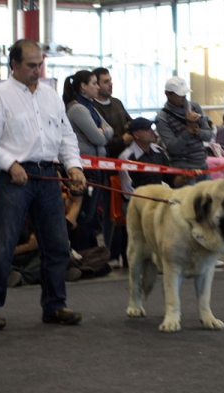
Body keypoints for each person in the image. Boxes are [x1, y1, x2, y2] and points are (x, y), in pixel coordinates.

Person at [0, 39, 86, 329]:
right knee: (3, 244)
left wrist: (73, 166)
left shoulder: (50, 96)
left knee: (58, 245)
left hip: (47, 177)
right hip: (14, 178)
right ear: (14, 65)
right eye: (31, 65)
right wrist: (10, 164)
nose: (37, 70)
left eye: (40, 64)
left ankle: (55, 306)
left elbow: (66, 136)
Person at [63, 70, 114, 252]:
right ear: (83, 87)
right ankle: (82, 252)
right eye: (94, 83)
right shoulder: (77, 109)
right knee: (85, 214)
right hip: (86, 169)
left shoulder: (90, 107)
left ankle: (88, 252)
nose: (98, 87)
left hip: (97, 167)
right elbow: (98, 138)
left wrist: (103, 132)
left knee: (92, 215)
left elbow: (109, 130)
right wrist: (102, 132)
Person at [92, 67, 133, 268]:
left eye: (110, 80)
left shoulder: (117, 103)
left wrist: (132, 133)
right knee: (110, 211)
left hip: (126, 164)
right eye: (106, 81)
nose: (110, 84)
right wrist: (122, 140)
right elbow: (100, 140)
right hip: (106, 165)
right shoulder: (92, 108)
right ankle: (110, 252)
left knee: (125, 210)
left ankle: (125, 253)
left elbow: (129, 124)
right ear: (96, 85)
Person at [155, 76, 212, 184]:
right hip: (183, 171)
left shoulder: (194, 107)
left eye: (185, 93)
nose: (184, 97)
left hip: (203, 166)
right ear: (168, 94)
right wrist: (189, 130)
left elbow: (209, 135)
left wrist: (197, 131)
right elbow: (172, 148)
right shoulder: (162, 117)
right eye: (180, 94)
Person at [119, 117, 177, 199]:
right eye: (147, 129)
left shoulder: (158, 151)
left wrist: (185, 177)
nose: (152, 131)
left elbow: (170, 178)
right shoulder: (126, 158)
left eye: (151, 128)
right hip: (139, 203)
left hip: (161, 198)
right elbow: (129, 192)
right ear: (136, 135)